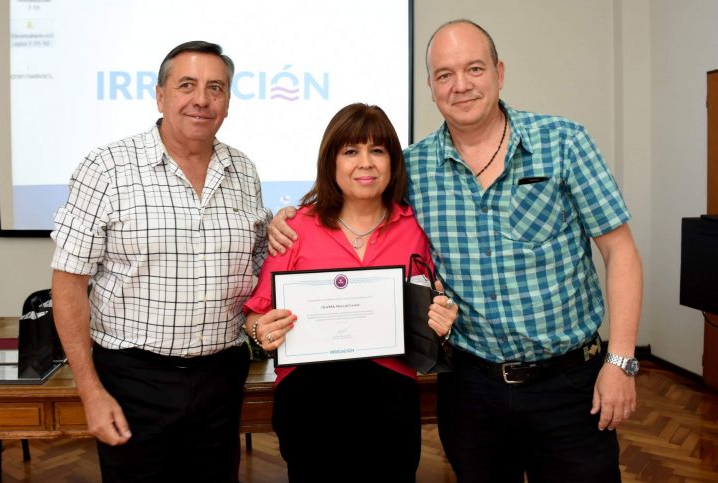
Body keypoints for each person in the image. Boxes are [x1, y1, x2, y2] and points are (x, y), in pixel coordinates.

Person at [267, 20, 643, 483]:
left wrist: (621, 362)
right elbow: (357, 199)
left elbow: (620, 251)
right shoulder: (413, 168)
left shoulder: (564, 143)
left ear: (499, 73)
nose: (460, 85)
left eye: (474, 69)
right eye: (444, 74)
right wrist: (288, 217)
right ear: (430, 87)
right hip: (470, 390)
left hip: (568, 385)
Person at [50, 41, 271, 483]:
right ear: (160, 95)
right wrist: (91, 392)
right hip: (134, 379)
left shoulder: (244, 170)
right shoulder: (106, 167)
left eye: (215, 88)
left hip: (221, 376)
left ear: (227, 101)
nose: (201, 99)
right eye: (187, 85)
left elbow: (258, 267)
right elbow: (68, 284)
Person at [244, 103, 458, 482]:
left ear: (393, 162)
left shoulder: (417, 227)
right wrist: (262, 330)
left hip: (391, 401)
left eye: (377, 150)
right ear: (331, 161)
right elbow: (256, 315)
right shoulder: (295, 229)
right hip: (310, 400)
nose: (365, 163)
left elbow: (435, 303)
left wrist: (441, 319)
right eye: (350, 151)